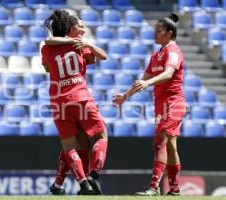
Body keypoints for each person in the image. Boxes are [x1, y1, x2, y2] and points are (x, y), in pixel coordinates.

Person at [113, 13, 186, 196]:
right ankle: (175, 189)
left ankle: (154, 188)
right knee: (171, 146)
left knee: (159, 141)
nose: (155, 34)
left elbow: (169, 74)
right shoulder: (156, 55)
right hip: (161, 104)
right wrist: (125, 96)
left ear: (169, 33)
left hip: (173, 102)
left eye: (159, 31)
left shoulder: (173, 51)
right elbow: (142, 80)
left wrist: (147, 83)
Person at [42, 10, 108, 195]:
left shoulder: (46, 48)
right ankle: (93, 175)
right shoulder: (78, 45)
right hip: (80, 98)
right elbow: (93, 59)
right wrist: (82, 45)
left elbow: (48, 67)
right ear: (70, 28)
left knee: (73, 146)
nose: (83, 29)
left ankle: (81, 185)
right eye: (80, 26)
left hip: (59, 101)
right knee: (100, 137)